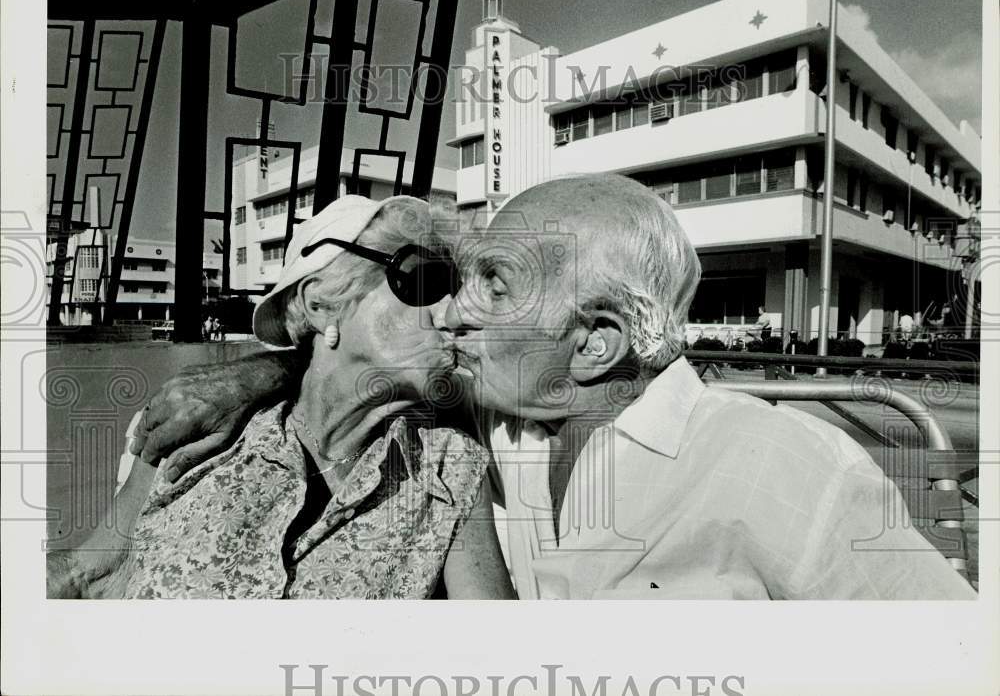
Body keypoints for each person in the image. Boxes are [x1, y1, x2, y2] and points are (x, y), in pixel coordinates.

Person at [132, 174, 974, 599]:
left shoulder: (792, 472)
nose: (452, 310)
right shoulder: (487, 420)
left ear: (595, 344)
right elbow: (350, 370)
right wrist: (252, 373)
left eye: (492, 283)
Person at [47, 195, 514, 600]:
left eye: (454, 287)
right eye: (421, 279)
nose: (452, 309)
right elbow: (90, 573)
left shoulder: (450, 469)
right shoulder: (197, 432)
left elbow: (498, 650)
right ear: (320, 304)